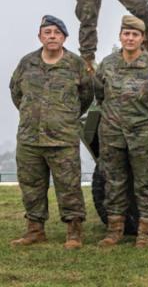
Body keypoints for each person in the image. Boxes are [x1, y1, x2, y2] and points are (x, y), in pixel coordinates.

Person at [9, 15, 93, 249]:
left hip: (62, 138)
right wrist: (32, 115)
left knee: (69, 186)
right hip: (30, 138)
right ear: (40, 37)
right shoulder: (27, 63)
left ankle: (74, 233)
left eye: (57, 32)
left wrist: (64, 117)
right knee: (31, 186)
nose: (52, 36)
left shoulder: (75, 64)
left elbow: (86, 96)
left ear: (64, 37)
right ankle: (35, 230)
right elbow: (16, 92)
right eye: (47, 32)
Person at [94, 15, 148, 248]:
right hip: (112, 133)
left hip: (144, 134)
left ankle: (145, 232)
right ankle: (114, 230)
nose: (130, 38)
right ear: (120, 36)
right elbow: (99, 94)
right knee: (114, 181)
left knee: (146, 182)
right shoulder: (107, 64)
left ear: (142, 38)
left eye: (135, 34)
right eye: (126, 34)